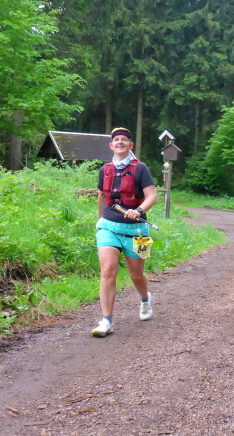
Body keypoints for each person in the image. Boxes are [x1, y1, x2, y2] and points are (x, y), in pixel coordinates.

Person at [92, 127, 157, 337]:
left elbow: (152, 196)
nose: (120, 142)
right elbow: (102, 196)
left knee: (136, 275)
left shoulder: (141, 168)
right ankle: (106, 321)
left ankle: (145, 300)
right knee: (107, 270)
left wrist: (138, 210)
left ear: (130, 145)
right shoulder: (105, 169)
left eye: (124, 139)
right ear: (111, 145)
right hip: (108, 227)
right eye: (116, 139)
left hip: (138, 230)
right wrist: (100, 220)